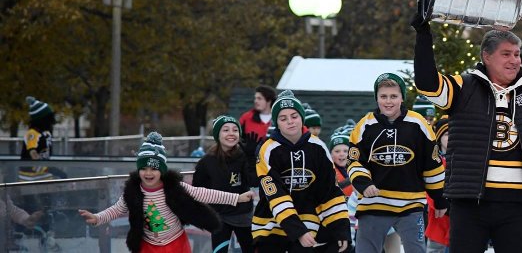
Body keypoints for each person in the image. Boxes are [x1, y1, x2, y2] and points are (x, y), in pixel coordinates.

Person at [412, 12, 522, 253]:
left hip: (518, 205)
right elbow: (427, 84)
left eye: (517, 54)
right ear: (486, 56)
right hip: (470, 202)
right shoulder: (463, 87)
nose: (514, 60)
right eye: (506, 54)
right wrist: (423, 34)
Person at [79, 132, 254, 252]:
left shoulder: (174, 188)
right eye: (144, 169)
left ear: (162, 171)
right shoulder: (134, 192)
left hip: (175, 242)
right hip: (148, 245)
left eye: (154, 169)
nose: (148, 173)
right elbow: (117, 209)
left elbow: (205, 193)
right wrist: (98, 218)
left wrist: (236, 197)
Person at [347, 73, 448, 253]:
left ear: (402, 97)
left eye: (393, 96)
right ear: (376, 98)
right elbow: (355, 162)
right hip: (373, 204)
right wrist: (364, 183)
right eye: (383, 96)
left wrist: (439, 199)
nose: (388, 101)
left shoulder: (418, 124)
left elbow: (432, 166)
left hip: (410, 206)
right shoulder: (364, 125)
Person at [252, 90, 351, 252]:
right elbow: (276, 196)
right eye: (283, 118)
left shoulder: (318, 147)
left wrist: (340, 229)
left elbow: (330, 193)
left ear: (301, 118)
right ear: (276, 122)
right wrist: (298, 231)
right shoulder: (268, 150)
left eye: (294, 116)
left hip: (309, 222)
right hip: (270, 226)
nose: (290, 122)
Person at [193, 115, 258, 253]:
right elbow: (197, 191)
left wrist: (252, 158)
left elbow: (254, 181)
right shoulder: (206, 162)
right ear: (218, 135)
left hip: (243, 215)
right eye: (226, 130)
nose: (231, 133)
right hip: (219, 217)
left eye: (235, 130)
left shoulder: (244, 156)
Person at [426, 116, 452, 253]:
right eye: (447, 134)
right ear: (439, 137)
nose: (451, 137)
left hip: (462, 227)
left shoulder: (466, 162)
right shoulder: (434, 162)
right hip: (438, 225)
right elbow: (430, 192)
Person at [20, 96, 58, 182]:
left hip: (44, 176)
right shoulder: (32, 133)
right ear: (42, 119)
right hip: (29, 177)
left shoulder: (46, 133)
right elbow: (33, 153)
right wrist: (50, 169)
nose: (52, 122)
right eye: (49, 118)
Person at [329, 127, 355, 196]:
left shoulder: (358, 167)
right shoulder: (328, 171)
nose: (341, 154)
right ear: (331, 154)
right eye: (337, 151)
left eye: (345, 151)